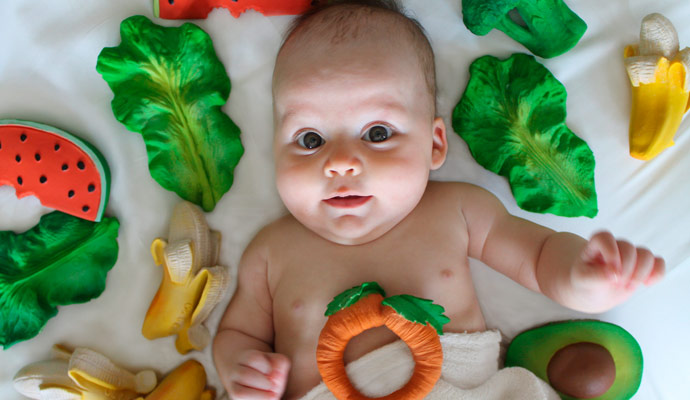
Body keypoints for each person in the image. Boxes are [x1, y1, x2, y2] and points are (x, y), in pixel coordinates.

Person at [212, 1, 665, 399]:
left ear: (434, 146)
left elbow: (541, 257)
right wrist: (240, 368)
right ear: (274, 148)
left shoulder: (457, 211)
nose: (341, 163)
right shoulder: (271, 252)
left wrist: (585, 279)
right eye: (310, 139)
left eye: (377, 133)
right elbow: (237, 332)